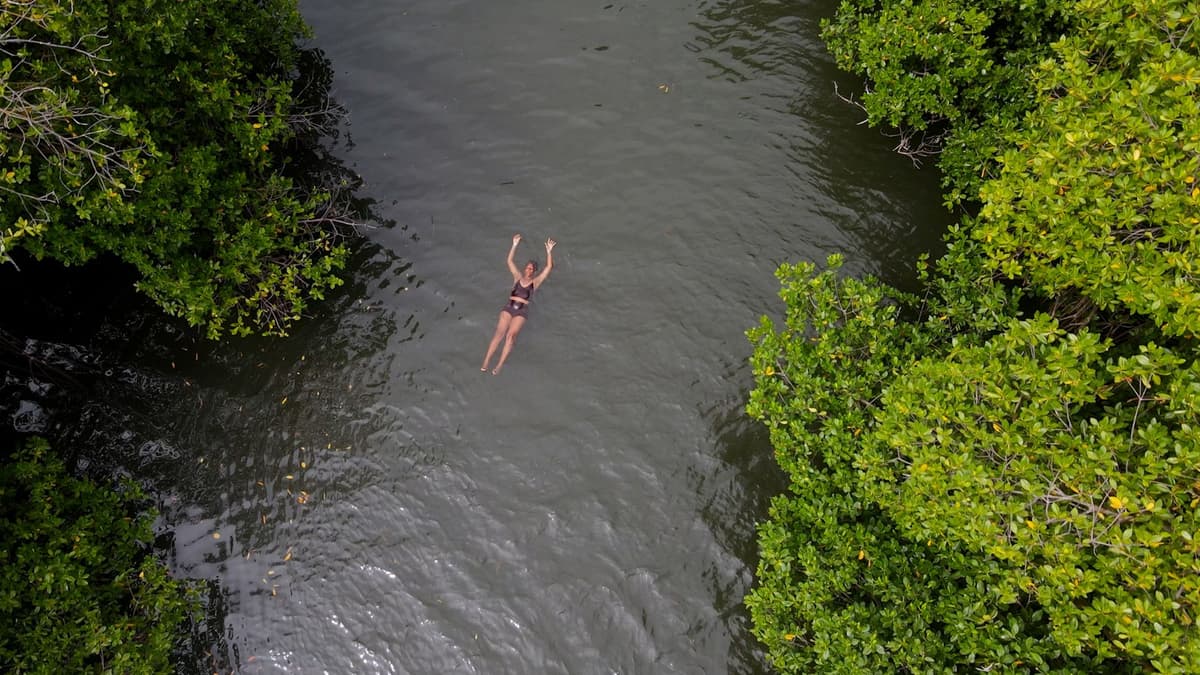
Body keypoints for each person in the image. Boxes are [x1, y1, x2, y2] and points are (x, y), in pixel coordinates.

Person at [481, 234, 556, 374]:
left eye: (531, 269)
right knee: (499, 334)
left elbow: (549, 267)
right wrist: (514, 245)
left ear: (534, 272)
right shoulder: (517, 277)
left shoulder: (535, 282)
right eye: (527, 267)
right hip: (509, 307)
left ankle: (499, 364)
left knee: (510, 337)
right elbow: (509, 261)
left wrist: (549, 252)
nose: (529, 270)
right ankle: (486, 360)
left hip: (521, 312)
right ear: (524, 269)